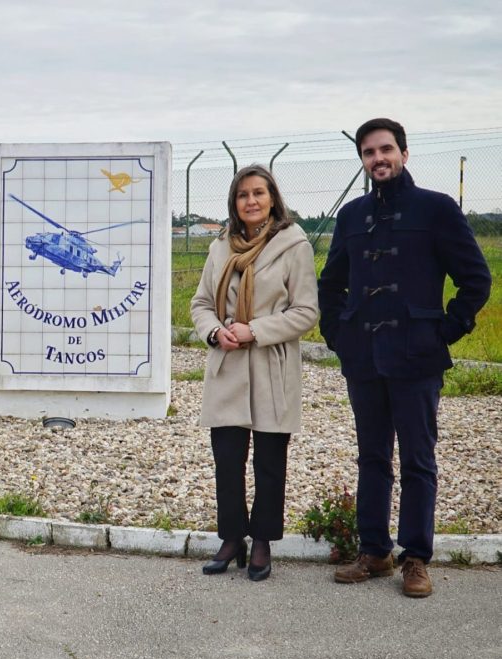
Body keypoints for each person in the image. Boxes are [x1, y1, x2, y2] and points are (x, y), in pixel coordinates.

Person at [319, 118, 491, 598]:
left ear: (405, 153)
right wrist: (339, 335)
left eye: (386, 149)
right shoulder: (352, 216)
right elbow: (330, 284)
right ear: (362, 160)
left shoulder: (436, 209)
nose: (379, 158)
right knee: (372, 457)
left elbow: (475, 279)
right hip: (364, 359)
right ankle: (374, 551)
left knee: (418, 459)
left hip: (418, 356)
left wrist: (444, 331)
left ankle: (416, 557)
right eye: (370, 152)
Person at [191, 165, 319, 582]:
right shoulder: (219, 249)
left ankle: (262, 541)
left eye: (259, 193)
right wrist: (215, 331)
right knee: (227, 460)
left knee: (269, 462)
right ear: (235, 202)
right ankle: (231, 538)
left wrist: (256, 330)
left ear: (272, 198)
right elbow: (201, 304)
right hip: (228, 367)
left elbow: (306, 311)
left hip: (270, 366)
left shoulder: (293, 245)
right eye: (243, 194)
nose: (251, 201)